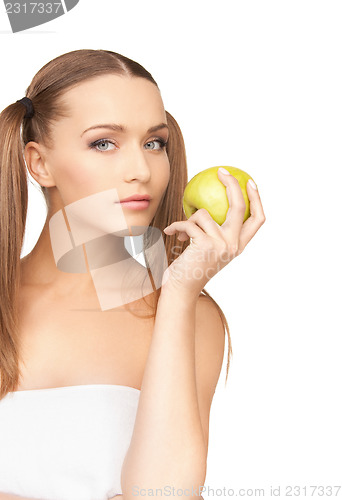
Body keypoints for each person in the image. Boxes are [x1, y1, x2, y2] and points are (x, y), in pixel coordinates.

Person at [0, 49, 266, 500]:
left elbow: (165, 495)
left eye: (154, 143)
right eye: (104, 143)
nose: (141, 171)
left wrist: (179, 292)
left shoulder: (192, 318)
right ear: (39, 163)